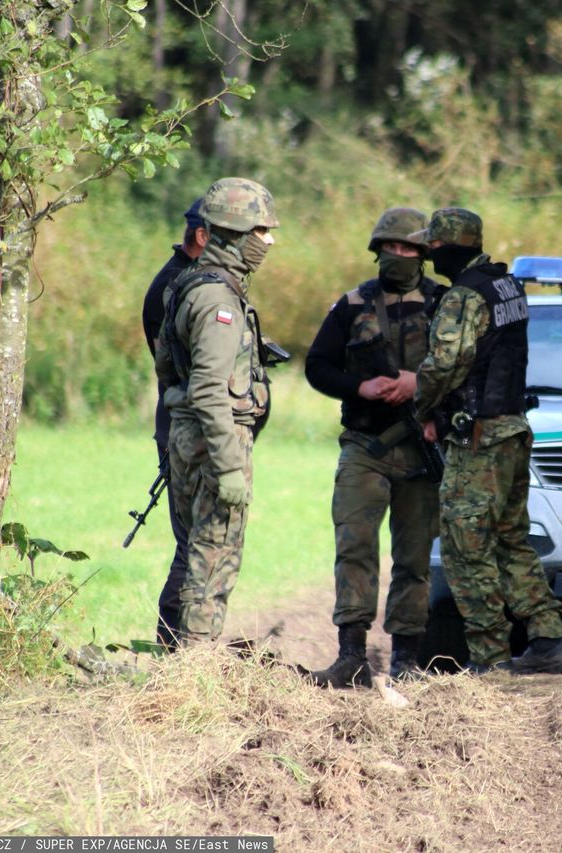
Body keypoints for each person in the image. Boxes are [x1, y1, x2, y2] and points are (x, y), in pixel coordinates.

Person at [411, 207, 562, 675]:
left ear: (446, 247)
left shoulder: (464, 295)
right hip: (513, 430)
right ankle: (549, 641)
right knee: (511, 540)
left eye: (433, 247)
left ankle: (489, 659)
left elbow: (446, 363)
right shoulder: (507, 286)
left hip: (480, 440)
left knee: (466, 547)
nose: (428, 255)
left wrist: (422, 408)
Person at [304, 207, 447, 686]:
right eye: (391, 247)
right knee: (354, 545)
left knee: (414, 556)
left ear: (424, 254)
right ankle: (351, 655)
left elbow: (469, 374)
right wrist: (358, 388)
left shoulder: (446, 304)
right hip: (365, 446)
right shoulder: (351, 305)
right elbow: (318, 367)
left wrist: (419, 388)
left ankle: (408, 658)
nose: (399, 256)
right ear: (377, 251)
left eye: (408, 248)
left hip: (424, 450)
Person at [153, 177, 279, 645]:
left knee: (194, 551)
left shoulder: (187, 284)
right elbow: (208, 389)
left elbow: (168, 367)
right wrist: (229, 467)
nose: (269, 242)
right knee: (214, 556)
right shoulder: (219, 301)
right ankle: (194, 668)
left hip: (189, 435)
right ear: (236, 233)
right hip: (214, 438)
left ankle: (179, 657)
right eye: (262, 232)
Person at [142, 197, 208, 651]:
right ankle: (174, 648)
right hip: (186, 428)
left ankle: (182, 648)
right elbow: (184, 369)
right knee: (194, 541)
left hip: (188, 424)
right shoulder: (178, 286)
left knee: (198, 539)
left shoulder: (186, 281)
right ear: (202, 237)